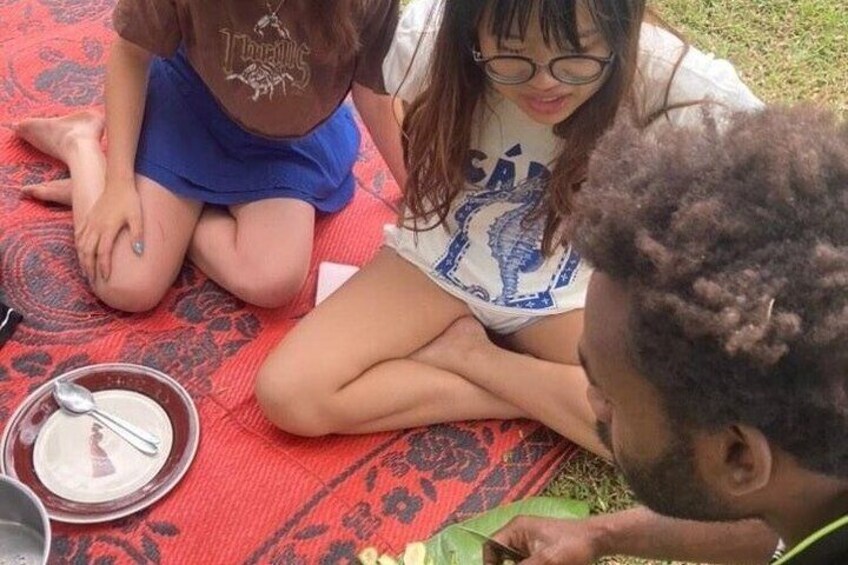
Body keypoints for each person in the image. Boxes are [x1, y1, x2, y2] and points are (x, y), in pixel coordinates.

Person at [254, 0, 760, 453]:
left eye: (577, 53)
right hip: (439, 262)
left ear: (622, 28)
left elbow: (783, 178)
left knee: (670, 437)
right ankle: (545, 397)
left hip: (565, 288)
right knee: (290, 394)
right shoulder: (425, 40)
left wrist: (480, 361)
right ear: (471, 30)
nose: (545, 82)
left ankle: (471, 356)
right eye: (513, 55)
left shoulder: (668, 77)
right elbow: (344, 61)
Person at [482, 105, 848, 564]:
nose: (593, 403)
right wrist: (600, 535)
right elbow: (784, 508)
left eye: (611, 398)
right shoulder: (818, 478)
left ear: (738, 456)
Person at [13, 0, 403, 312]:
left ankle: (180, 212)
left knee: (274, 279)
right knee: (126, 283)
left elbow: (373, 88)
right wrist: (118, 182)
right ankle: (79, 143)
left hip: (286, 139)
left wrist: (422, 194)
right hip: (190, 111)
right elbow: (131, 54)